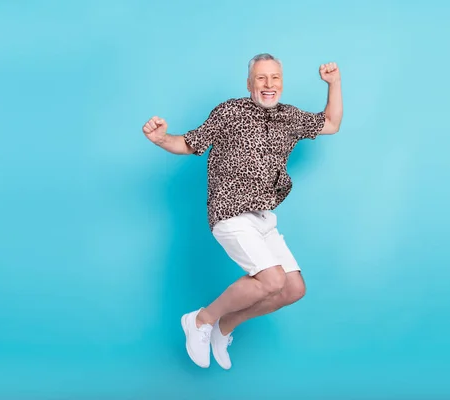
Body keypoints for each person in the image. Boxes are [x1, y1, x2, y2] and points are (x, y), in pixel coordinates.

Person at [142, 53, 343, 369]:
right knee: (272, 280)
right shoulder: (229, 112)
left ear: (282, 83)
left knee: (292, 288)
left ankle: (224, 326)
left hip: (263, 217)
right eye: (261, 78)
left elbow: (331, 123)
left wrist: (334, 83)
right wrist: (161, 139)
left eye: (274, 78)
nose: (268, 84)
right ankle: (200, 320)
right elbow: (190, 143)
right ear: (250, 83)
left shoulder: (290, 117)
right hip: (230, 212)